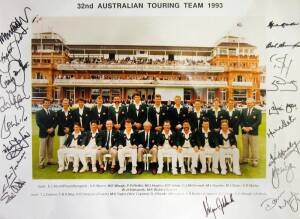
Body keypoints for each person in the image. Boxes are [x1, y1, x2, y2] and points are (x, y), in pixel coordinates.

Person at [36, 98, 57, 169]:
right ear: (43, 104)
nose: (47, 104)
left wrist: (52, 128)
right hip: (43, 133)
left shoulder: (53, 112)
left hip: (51, 133)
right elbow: (39, 123)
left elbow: (55, 122)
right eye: (46, 103)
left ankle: (50, 160)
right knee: (42, 149)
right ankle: (41, 163)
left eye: (48, 103)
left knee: (50, 148)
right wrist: (46, 130)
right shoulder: (39, 113)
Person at [240, 98, 262, 167]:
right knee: (245, 146)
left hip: (253, 132)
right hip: (244, 131)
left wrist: (250, 128)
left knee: (254, 146)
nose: (249, 104)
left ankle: (254, 160)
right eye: (247, 103)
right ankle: (245, 159)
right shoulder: (243, 110)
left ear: (253, 103)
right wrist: (243, 127)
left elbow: (258, 122)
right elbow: (241, 120)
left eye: (250, 103)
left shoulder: (258, 111)